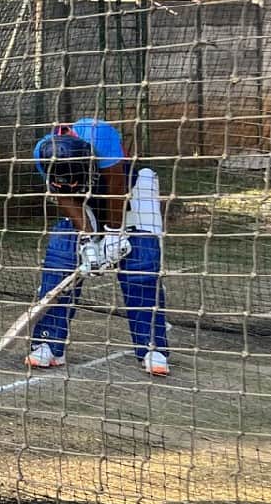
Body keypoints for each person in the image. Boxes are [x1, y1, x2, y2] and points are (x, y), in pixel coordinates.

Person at [27, 118, 172, 377]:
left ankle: (152, 348)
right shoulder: (43, 152)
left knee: (141, 265)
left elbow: (116, 187)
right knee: (61, 256)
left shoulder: (99, 136)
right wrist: (88, 240)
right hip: (85, 203)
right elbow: (62, 195)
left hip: (131, 194)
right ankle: (48, 343)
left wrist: (114, 235)